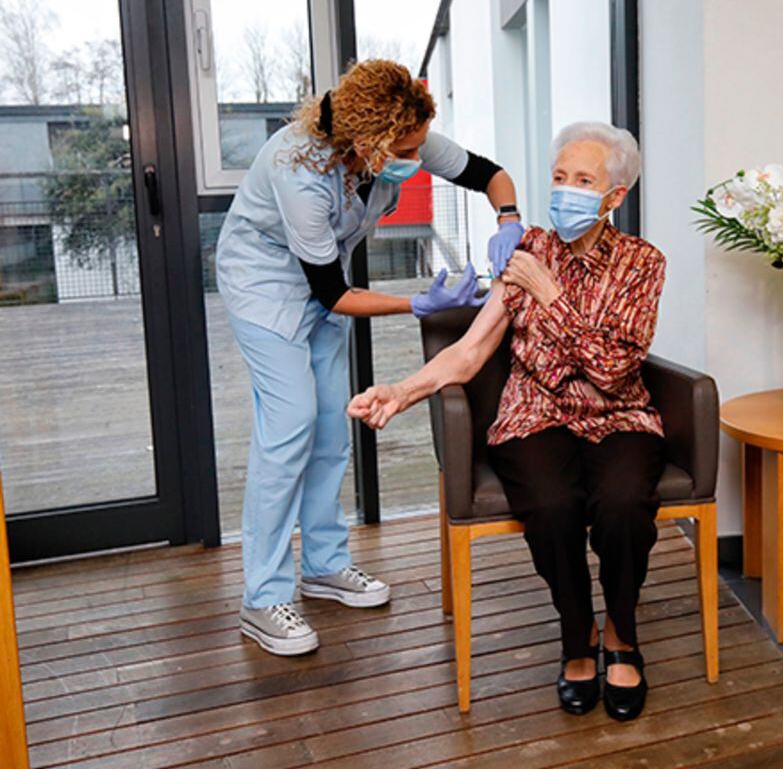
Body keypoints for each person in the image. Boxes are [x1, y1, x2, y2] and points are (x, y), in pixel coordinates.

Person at [348, 121, 666, 721]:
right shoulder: (530, 252)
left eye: (583, 181)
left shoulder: (642, 264)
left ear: (614, 198)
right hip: (535, 413)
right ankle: (579, 638)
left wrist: (550, 296)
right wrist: (401, 390)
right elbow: (471, 350)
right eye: (558, 177)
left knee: (624, 505)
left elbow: (614, 369)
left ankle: (621, 634)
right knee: (551, 506)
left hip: (617, 412)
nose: (565, 190)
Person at [215, 59, 525, 657]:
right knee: (289, 428)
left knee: (333, 425)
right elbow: (333, 292)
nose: (417, 157)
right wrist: (420, 302)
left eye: (418, 144)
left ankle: (324, 565)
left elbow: (491, 174)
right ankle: (262, 595)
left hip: (324, 286)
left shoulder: (399, 134)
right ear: (368, 140)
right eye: (406, 149)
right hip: (264, 289)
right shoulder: (297, 169)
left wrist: (508, 219)